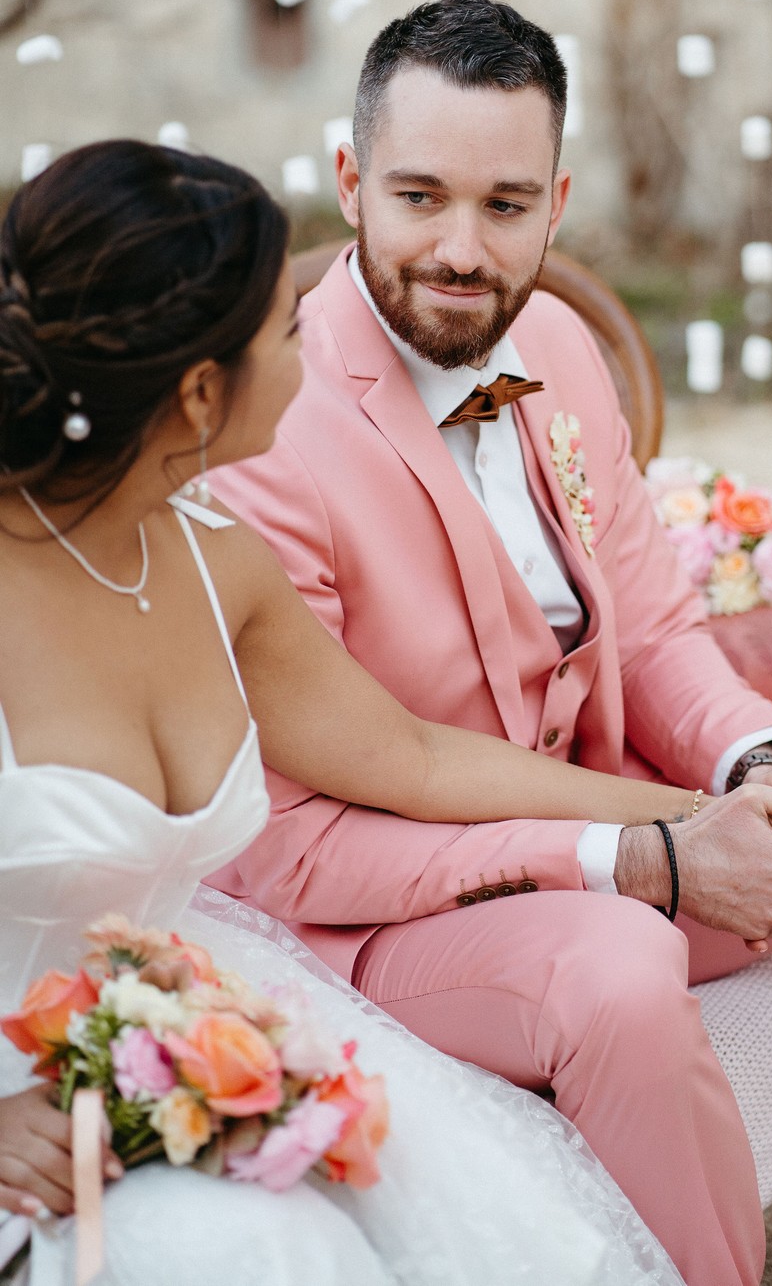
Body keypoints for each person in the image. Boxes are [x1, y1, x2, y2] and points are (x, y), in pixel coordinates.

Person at [209, 0, 772, 1286]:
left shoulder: (561, 346)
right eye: (421, 199)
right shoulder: (271, 433)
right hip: (388, 923)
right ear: (351, 183)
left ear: (558, 204)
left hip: (633, 810)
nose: (463, 250)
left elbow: (671, 624)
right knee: (623, 959)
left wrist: (764, 785)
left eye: (506, 207)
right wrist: (651, 860)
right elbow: (302, 852)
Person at [0, 136, 730, 1286]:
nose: (318, 341)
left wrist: (692, 821)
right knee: (260, 1252)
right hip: (20, 1115)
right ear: (200, 393)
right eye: (284, 330)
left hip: (173, 1026)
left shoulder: (213, 563)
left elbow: (417, 760)